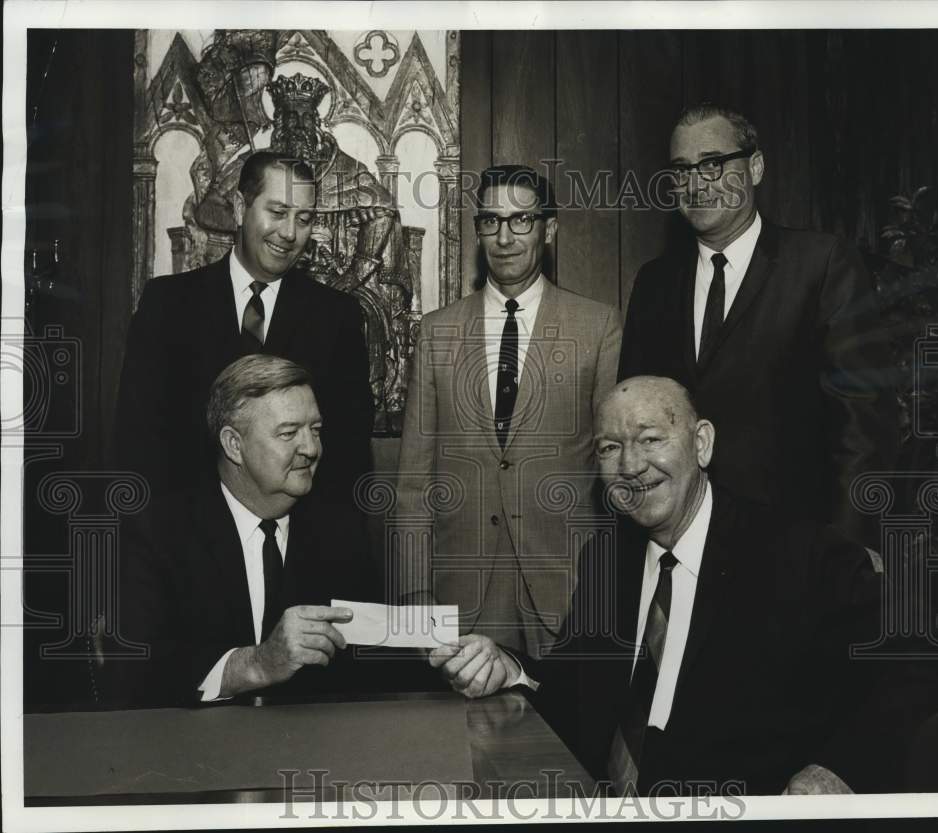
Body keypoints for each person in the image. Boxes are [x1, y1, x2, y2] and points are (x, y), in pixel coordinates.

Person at [431, 376, 895, 795]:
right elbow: (574, 695)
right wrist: (507, 667)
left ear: (702, 444)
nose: (631, 465)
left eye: (650, 439)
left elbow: (915, 671)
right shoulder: (608, 561)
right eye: (609, 448)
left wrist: (837, 770)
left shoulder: (797, 553)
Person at [619, 104, 898, 549]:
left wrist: (850, 549)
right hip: (681, 546)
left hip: (797, 546)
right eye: (681, 170)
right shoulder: (654, 283)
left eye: (712, 164)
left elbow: (862, 425)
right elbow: (631, 423)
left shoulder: (822, 264)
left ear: (755, 166)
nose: (696, 184)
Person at [393, 165, 622, 659]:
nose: (505, 236)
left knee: (564, 734)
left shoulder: (598, 327)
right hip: (462, 596)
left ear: (549, 229)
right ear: (478, 230)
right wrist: (415, 595)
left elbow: (613, 472)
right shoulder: (437, 333)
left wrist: (609, 588)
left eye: (522, 220)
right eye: (492, 221)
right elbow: (414, 480)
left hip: (568, 590)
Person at [113, 355, 379, 707]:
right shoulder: (158, 533)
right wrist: (256, 665)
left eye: (315, 430)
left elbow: (372, 657)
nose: (312, 449)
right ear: (233, 445)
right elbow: (135, 671)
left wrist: (444, 658)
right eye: (288, 433)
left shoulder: (340, 531)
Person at [115, 151, 373, 505]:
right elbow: (137, 445)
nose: (289, 233)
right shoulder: (167, 306)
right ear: (240, 207)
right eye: (278, 212)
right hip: (185, 544)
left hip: (296, 548)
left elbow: (349, 460)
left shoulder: (337, 317)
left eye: (304, 218)